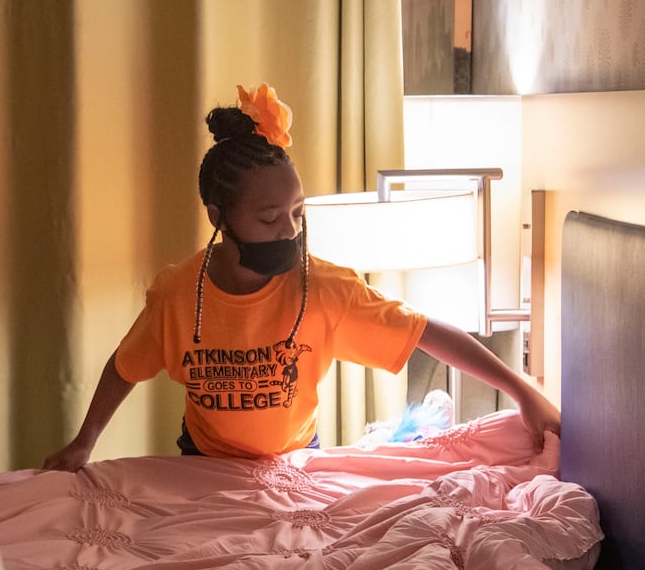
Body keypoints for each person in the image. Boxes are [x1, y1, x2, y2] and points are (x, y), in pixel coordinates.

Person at [42, 83, 561, 469]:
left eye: (297, 212)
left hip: (293, 462)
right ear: (217, 216)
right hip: (200, 461)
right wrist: (82, 443)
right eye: (268, 219)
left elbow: (426, 333)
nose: (288, 230)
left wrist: (521, 390)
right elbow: (125, 367)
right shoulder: (179, 292)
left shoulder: (327, 290)